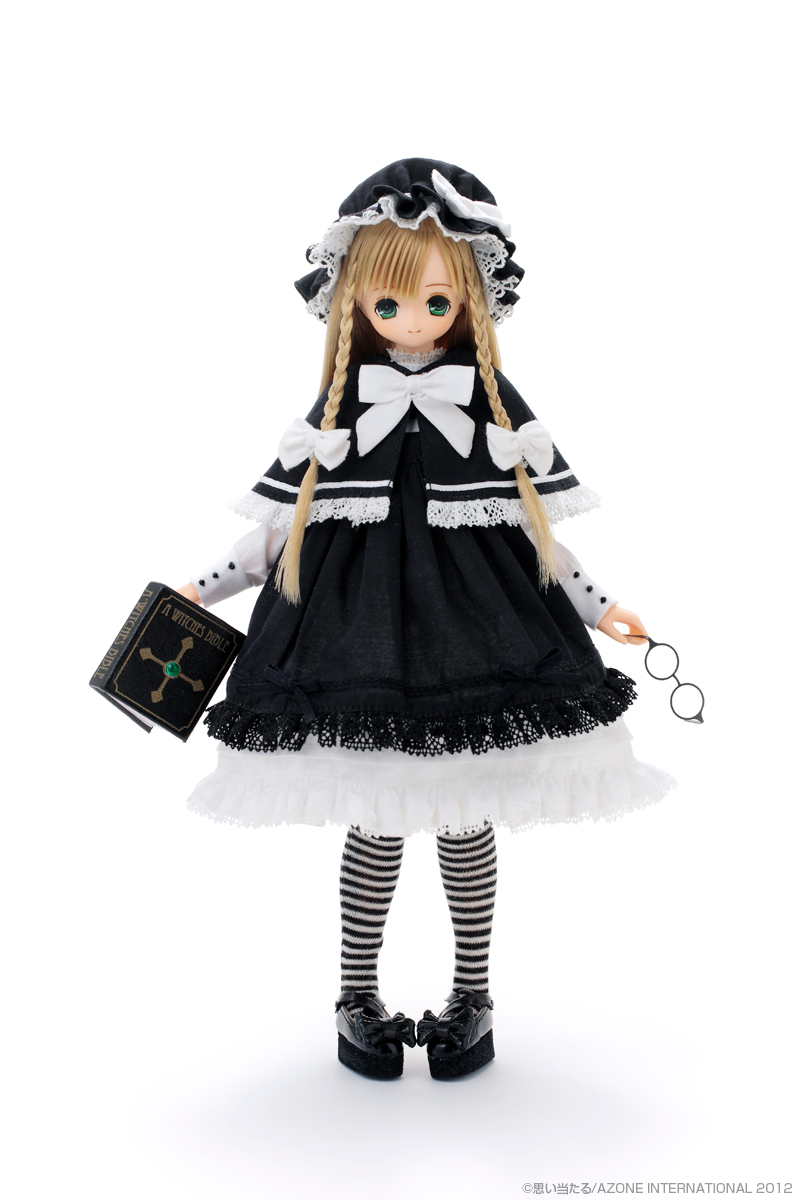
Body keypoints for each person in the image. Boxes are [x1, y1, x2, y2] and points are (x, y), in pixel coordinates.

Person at [177, 159, 674, 1081]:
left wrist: (603, 607)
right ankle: (355, 998)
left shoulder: (490, 410)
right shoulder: (337, 409)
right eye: (390, 304)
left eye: (437, 303)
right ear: (353, 303)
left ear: (472, 301)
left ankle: (470, 999)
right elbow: (278, 536)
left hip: (479, 644)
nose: (413, 321)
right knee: (376, 819)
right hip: (352, 648)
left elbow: (536, 540)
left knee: (465, 818)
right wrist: (200, 589)